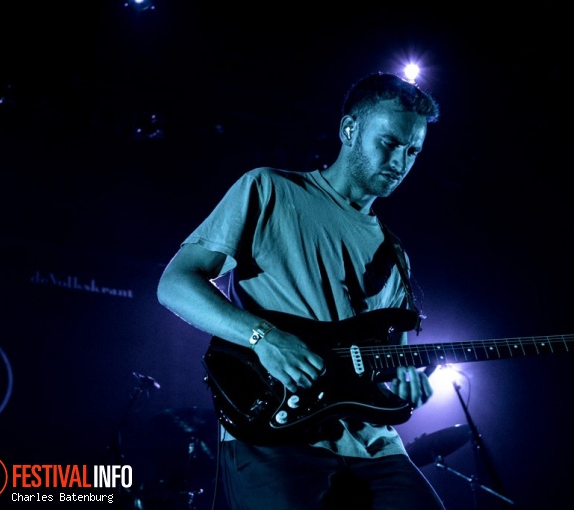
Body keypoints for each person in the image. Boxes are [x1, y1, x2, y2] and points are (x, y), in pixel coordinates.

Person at [156, 72, 446, 510]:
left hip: (371, 447)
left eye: (413, 151)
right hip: (274, 428)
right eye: (389, 143)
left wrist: (408, 382)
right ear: (350, 130)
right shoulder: (269, 188)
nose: (400, 161)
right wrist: (264, 337)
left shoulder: (397, 255)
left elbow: (386, 366)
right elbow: (174, 284)